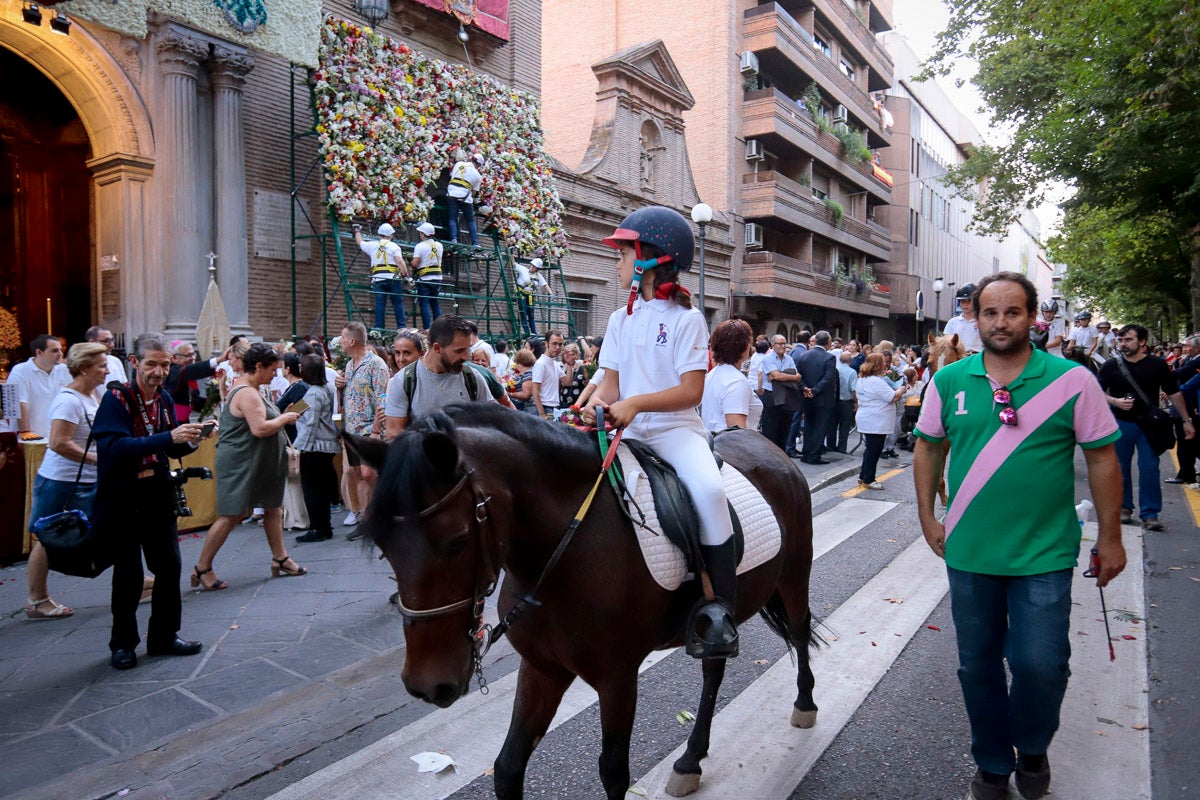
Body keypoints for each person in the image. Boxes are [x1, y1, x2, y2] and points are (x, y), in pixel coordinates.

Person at [913, 272, 1125, 800]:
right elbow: (927, 447)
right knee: (977, 665)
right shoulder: (948, 382)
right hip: (969, 549)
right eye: (990, 312)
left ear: (1032, 318)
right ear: (975, 317)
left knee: (1040, 664)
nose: (1001, 322)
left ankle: (1032, 748)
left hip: (1044, 552)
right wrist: (926, 516)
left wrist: (1112, 537)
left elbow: (1102, 458)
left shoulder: (1073, 380)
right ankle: (991, 763)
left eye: (1012, 312)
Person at [584, 205, 739, 659]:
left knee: (710, 492)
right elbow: (609, 386)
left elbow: (691, 391)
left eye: (622, 254)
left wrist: (634, 404)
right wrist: (588, 410)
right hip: (627, 432)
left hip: (675, 432)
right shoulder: (618, 319)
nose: (617, 263)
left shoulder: (687, 319)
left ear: (649, 259)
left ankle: (719, 613)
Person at [92, 333, 211, 670]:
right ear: (134, 363)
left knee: (169, 566)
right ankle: (123, 643)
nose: (159, 372)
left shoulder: (163, 400)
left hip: (157, 492)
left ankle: (163, 637)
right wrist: (166, 437)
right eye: (152, 364)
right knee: (128, 575)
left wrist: (192, 439)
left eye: (165, 365)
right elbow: (113, 448)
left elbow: (169, 447)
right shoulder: (117, 399)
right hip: (124, 497)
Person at [191, 343, 306, 589]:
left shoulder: (255, 389)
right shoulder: (246, 392)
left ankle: (280, 557)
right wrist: (285, 418)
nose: (276, 375)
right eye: (273, 370)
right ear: (258, 367)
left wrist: (281, 415)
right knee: (231, 515)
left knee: (273, 507)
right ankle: (202, 567)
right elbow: (260, 428)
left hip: (260, 461)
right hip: (241, 462)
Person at [24, 343, 109, 620]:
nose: (106, 370)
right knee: (48, 537)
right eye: (101, 365)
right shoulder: (69, 400)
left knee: (103, 529)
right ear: (84, 368)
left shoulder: (92, 395)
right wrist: (97, 459)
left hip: (83, 480)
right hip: (61, 481)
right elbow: (59, 443)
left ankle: (135, 579)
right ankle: (37, 600)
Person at [1096, 323, 1193, 530]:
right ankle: (1124, 507)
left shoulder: (1157, 365)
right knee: (1120, 467)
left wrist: (1186, 421)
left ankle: (1150, 514)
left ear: (1142, 342)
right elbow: (1096, 392)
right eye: (1121, 340)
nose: (1123, 344)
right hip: (1121, 423)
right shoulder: (1111, 365)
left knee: (1149, 468)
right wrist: (1115, 401)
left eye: (1128, 339)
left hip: (1149, 425)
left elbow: (1174, 393)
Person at [384, 314, 492, 436]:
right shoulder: (403, 381)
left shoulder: (472, 378)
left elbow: (491, 423)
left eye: (468, 349)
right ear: (437, 348)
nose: (466, 357)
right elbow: (394, 434)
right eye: (459, 351)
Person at [335, 322, 389, 536]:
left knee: (369, 474)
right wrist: (339, 387)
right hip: (352, 430)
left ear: (352, 341)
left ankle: (380, 515)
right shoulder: (349, 365)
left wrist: (376, 430)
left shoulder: (376, 364)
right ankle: (366, 521)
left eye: (342, 337)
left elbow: (381, 398)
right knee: (358, 474)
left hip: (369, 429)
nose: (340, 342)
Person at [295, 354, 341, 543]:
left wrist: (300, 447)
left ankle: (317, 528)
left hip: (314, 446)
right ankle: (325, 526)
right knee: (320, 487)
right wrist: (291, 411)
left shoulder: (313, 392)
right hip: (327, 443)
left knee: (312, 489)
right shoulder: (326, 388)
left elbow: (311, 423)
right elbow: (304, 409)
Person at [854, 353, 905, 490]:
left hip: (867, 417)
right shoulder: (876, 381)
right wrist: (901, 389)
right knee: (874, 450)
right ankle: (869, 479)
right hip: (876, 419)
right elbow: (892, 397)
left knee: (870, 449)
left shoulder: (862, 379)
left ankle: (863, 475)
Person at [701, 319, 761, 432]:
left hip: (714, 443)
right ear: (744, 347)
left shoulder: (713, 374)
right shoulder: (736, 382)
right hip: (728, 447)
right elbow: (737, 432)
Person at [9, 333, 68, 437]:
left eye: (61, 350)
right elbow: (20, 403)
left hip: (55, 436)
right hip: (29, 438)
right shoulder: (20, 371)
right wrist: (26, 432)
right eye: (55, 351)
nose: (60, 354)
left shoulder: (64, 369)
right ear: (39, 352)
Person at [354, 222, 409, 331]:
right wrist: (405, 274)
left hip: (378, 279)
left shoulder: (372, 245)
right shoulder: (394, 246)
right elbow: (400, 261)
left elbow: (360, 242)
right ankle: (401, 327)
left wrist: (357, 231)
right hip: (393, 278)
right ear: (391, 236)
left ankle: (378, 327)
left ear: (380, 234)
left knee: (380, 304)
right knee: (397, 303)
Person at [795, 330, 838, 464]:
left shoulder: (804, 356)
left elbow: (798, 375)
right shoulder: (829, 357)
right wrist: (814, 390)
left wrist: (805, 388)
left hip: (807, 397)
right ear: (829, 342)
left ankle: (806, 452)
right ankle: (814, 455)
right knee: (820, 427)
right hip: (822, 398)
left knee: (809, 426)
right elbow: (828, 377)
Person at [758, 334, 803, 453]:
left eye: (784, 343)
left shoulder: (789, 359)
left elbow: (797, 376)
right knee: (770, 431)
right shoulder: (767, 359)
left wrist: (780, 377)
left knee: (784, 431)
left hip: (787, 397)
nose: (783, 346)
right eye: (780, 343)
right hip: (771, 397)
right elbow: (776, 375)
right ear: (773, 345)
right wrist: (787, 376)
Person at [410, 221, 444, 329]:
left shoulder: (420, 246)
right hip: (437, 278)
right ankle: (438, 327)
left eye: (420, 233)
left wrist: (409, 262)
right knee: (435, 302)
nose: (420, 235)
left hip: (425, 278)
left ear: (424, 234)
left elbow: (415, 263)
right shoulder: (439, 245)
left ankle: (427, 328)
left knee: (424, 304)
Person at [446, 152, 484, 246]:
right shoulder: (477, 175)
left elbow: (452, 176)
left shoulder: (459, 164)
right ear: (478, 164)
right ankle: (475, 242)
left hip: (451, 193)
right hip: (465, 198)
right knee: (470, 220)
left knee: (452, 218)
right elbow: (474, 192)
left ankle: (454, 239)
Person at [827, 350, 858, 454]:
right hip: (846, 401)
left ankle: (830, 445)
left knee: (832, 424)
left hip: (834, 401)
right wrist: (856, 401)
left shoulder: (835, 369)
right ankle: (841, 447)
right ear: (851, 360)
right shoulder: (852, 372)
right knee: (844, 426)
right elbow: (853, 389)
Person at [530, 330, 565, 419]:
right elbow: (534, 390)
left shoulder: (555, 363)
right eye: (554, 344)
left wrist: (569, 364)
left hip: (553, 408)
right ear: (546, 344)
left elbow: (567, 382)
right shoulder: (541, 363)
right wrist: (542, 413)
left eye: (560, 344)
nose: (557, 347)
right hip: (544, 408)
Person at [83, 325, 128, 395]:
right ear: (92, 342)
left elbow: (124, 385)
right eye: (107, 341)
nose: (112, 345)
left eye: (112, 340)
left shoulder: (115, 361)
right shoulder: (84, 364)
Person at [515, 258, 553, 336]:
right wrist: (511, 252)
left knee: (531, 315)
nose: (532, 267)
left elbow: (545, 285)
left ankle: (534, 332)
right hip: (522, 295)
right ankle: (527, 333)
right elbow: (514, 263)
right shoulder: (523, 270)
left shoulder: (538, 276)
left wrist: (551, 293)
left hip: (531, 297)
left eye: (535, 266)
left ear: (537, 269)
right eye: (532, 265)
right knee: (524, 313)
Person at [943, 283, 983, 353]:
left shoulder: (982, 322)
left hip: (976, 357)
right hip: (958, 358)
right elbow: (947, 343)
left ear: (976, 302)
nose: (965, 304)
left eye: (969, 301)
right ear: (959, 303)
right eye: (963, 301)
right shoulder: (952, 322)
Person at [506, 348, 537, 413]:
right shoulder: (522, 373)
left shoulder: (528, 374)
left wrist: (511, 394)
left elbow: (526, 394)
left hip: (528, 409)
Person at [559, 342, 587, 410]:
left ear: (576, 354)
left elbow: (589, 361)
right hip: (564, 403)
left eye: (570, 353)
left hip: (579, 404)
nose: (567, 355)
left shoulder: (582, 364)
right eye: (565, 353)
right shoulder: (560, 366)